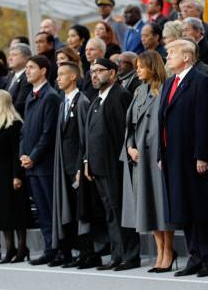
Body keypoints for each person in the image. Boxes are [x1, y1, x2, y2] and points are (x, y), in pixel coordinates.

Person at [159, 40, 208, 277]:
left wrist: (202, 155)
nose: (167, 57)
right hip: (172, 155)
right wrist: (160, 154)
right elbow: (163, 120)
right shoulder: (169, 83)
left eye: (171, 53)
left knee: (201, 207)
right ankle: (194, 257)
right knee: (183, 207)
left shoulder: (201, 81)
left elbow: (204, 121)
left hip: (193, 156)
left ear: (186, 56)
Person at [120, 51, 176, 272]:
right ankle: (159, 250)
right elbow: (130, 125)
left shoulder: (166, 88)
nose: (138, 71)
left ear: (153, 66)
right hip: (139, 158)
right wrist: (130, 147)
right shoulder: (138, 91)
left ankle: (168, 251)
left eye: (141, 66)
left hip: (157, 156)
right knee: (148, 205)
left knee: (161, 205)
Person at [83, 58, 140, 271]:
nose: (94, 75)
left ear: (113, 73)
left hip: (115, 165)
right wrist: (87, 161)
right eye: (92, 71)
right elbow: (89, 135)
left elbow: (124, 133)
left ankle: (130, 255)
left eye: (99, 70)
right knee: (110, 212)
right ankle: (117, 255)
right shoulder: (96, 99)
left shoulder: (120, 95)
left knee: (121, 210)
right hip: (98, 166)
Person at [51, 61, 102, 269]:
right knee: (70, 210)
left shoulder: (82, 102)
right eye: (57, 75)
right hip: (65, 166)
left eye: (62, 74)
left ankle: (89, 254)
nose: (58, 78)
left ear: (73, 77)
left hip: (78, 168)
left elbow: (85, 137)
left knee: (83, 212)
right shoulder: (63, 103)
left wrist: (83, 166)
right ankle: (78, 252)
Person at [19, 55, 61, 266]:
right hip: (31, 164)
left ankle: (59, 249)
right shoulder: (30, 96)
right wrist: (23, 155)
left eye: (31, 67)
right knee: (42, 211)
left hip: (44, 165)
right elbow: (25, 130)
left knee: (51, 209)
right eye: (26, 67)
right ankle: (49, 248)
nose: (27, 71)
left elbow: (49, 132)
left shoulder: (51, 96)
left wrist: (33, 157)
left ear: (44, 70)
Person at [0, 90, 29, 264]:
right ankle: (9, 249)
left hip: (9, 176)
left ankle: (22, 248)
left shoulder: (14, 124)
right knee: (2, 213)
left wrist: (17, 175)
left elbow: (17, 151)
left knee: (15, 212)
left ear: (1, 103)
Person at [6, 43, 33, 118]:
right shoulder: (10, 76)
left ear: (26, 58)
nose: (10, 58)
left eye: (14, 55)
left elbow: (19, 105)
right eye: (10, 55)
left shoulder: (28, 77)